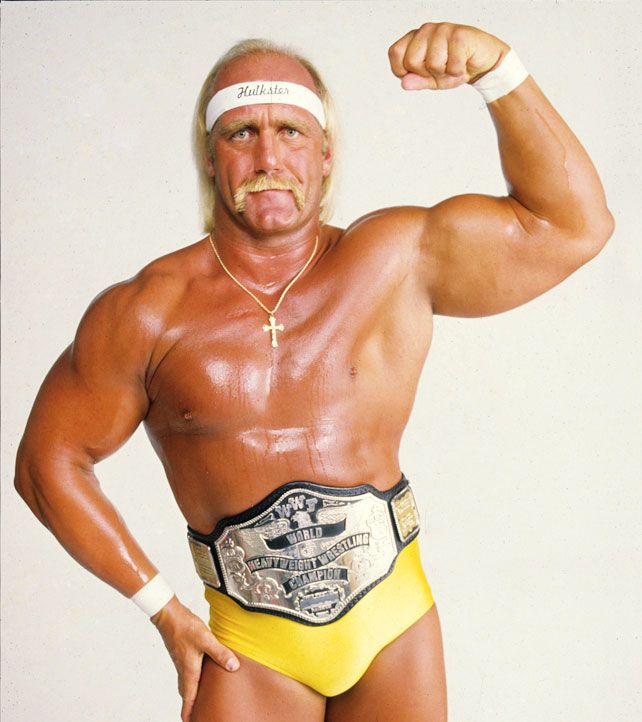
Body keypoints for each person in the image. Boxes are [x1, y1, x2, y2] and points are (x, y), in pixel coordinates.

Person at [14, 21, 613, 722]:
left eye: (291, 132)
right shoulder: (148, 312)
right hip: (250, 646)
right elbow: (46, 462)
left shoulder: (394, 262)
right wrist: (162, 608)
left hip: (392, 625)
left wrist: (499, 72)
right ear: (210, 157)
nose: (268, 155)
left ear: (326, 155)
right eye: (242, 133)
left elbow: (574, 226)